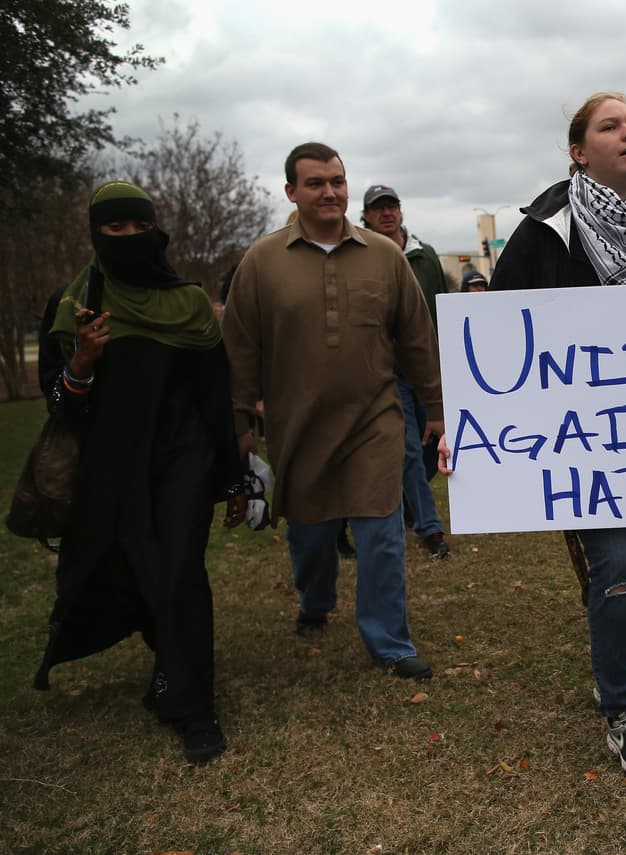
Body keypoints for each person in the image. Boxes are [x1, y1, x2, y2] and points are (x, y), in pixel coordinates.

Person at [438, 91, 626, 776]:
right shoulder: (545, 234)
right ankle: (623, 708)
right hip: (585, 447)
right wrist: (467, 423)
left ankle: (611, 640)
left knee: (624, 561)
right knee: (617, 564)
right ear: (579, 152)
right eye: (611, 126)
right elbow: (495, 339)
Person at [33, 180, 246, 763]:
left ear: (157, 230)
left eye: (140, 227)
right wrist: (82, 359)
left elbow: (213, 395)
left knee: (180, 570)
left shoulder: (189, 304)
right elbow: (60, 403)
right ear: (96, 234)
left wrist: (232, 475)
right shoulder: (73, 305)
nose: (130, 237)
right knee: (129, 567)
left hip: (184, 459)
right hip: (112, 468)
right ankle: (167, 670)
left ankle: (194, 707)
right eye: (115, 228)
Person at [221, 142, 442, 681]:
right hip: (298, 427)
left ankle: (390, 642)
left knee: (381, 533)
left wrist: (436, 407)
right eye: (316, 183)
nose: (330, 192)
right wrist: (239, 424)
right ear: (291, 191)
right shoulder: (262, 261)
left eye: (337, 181)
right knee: (312, 536)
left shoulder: (384, 256)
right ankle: (315, 602)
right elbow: (240, 351)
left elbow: (417, 338)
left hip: (375, 420)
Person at [361, 183, 450, 558]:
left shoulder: (425, 256)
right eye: (378, 208)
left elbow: (441, 309)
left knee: (433, 449)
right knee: (409, 450)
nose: (386, 213)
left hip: (427, 372)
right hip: (388, 374)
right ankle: (431, 529)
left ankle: (410, 504)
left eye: (391, 206)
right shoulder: (362, 257)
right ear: (366, 216)